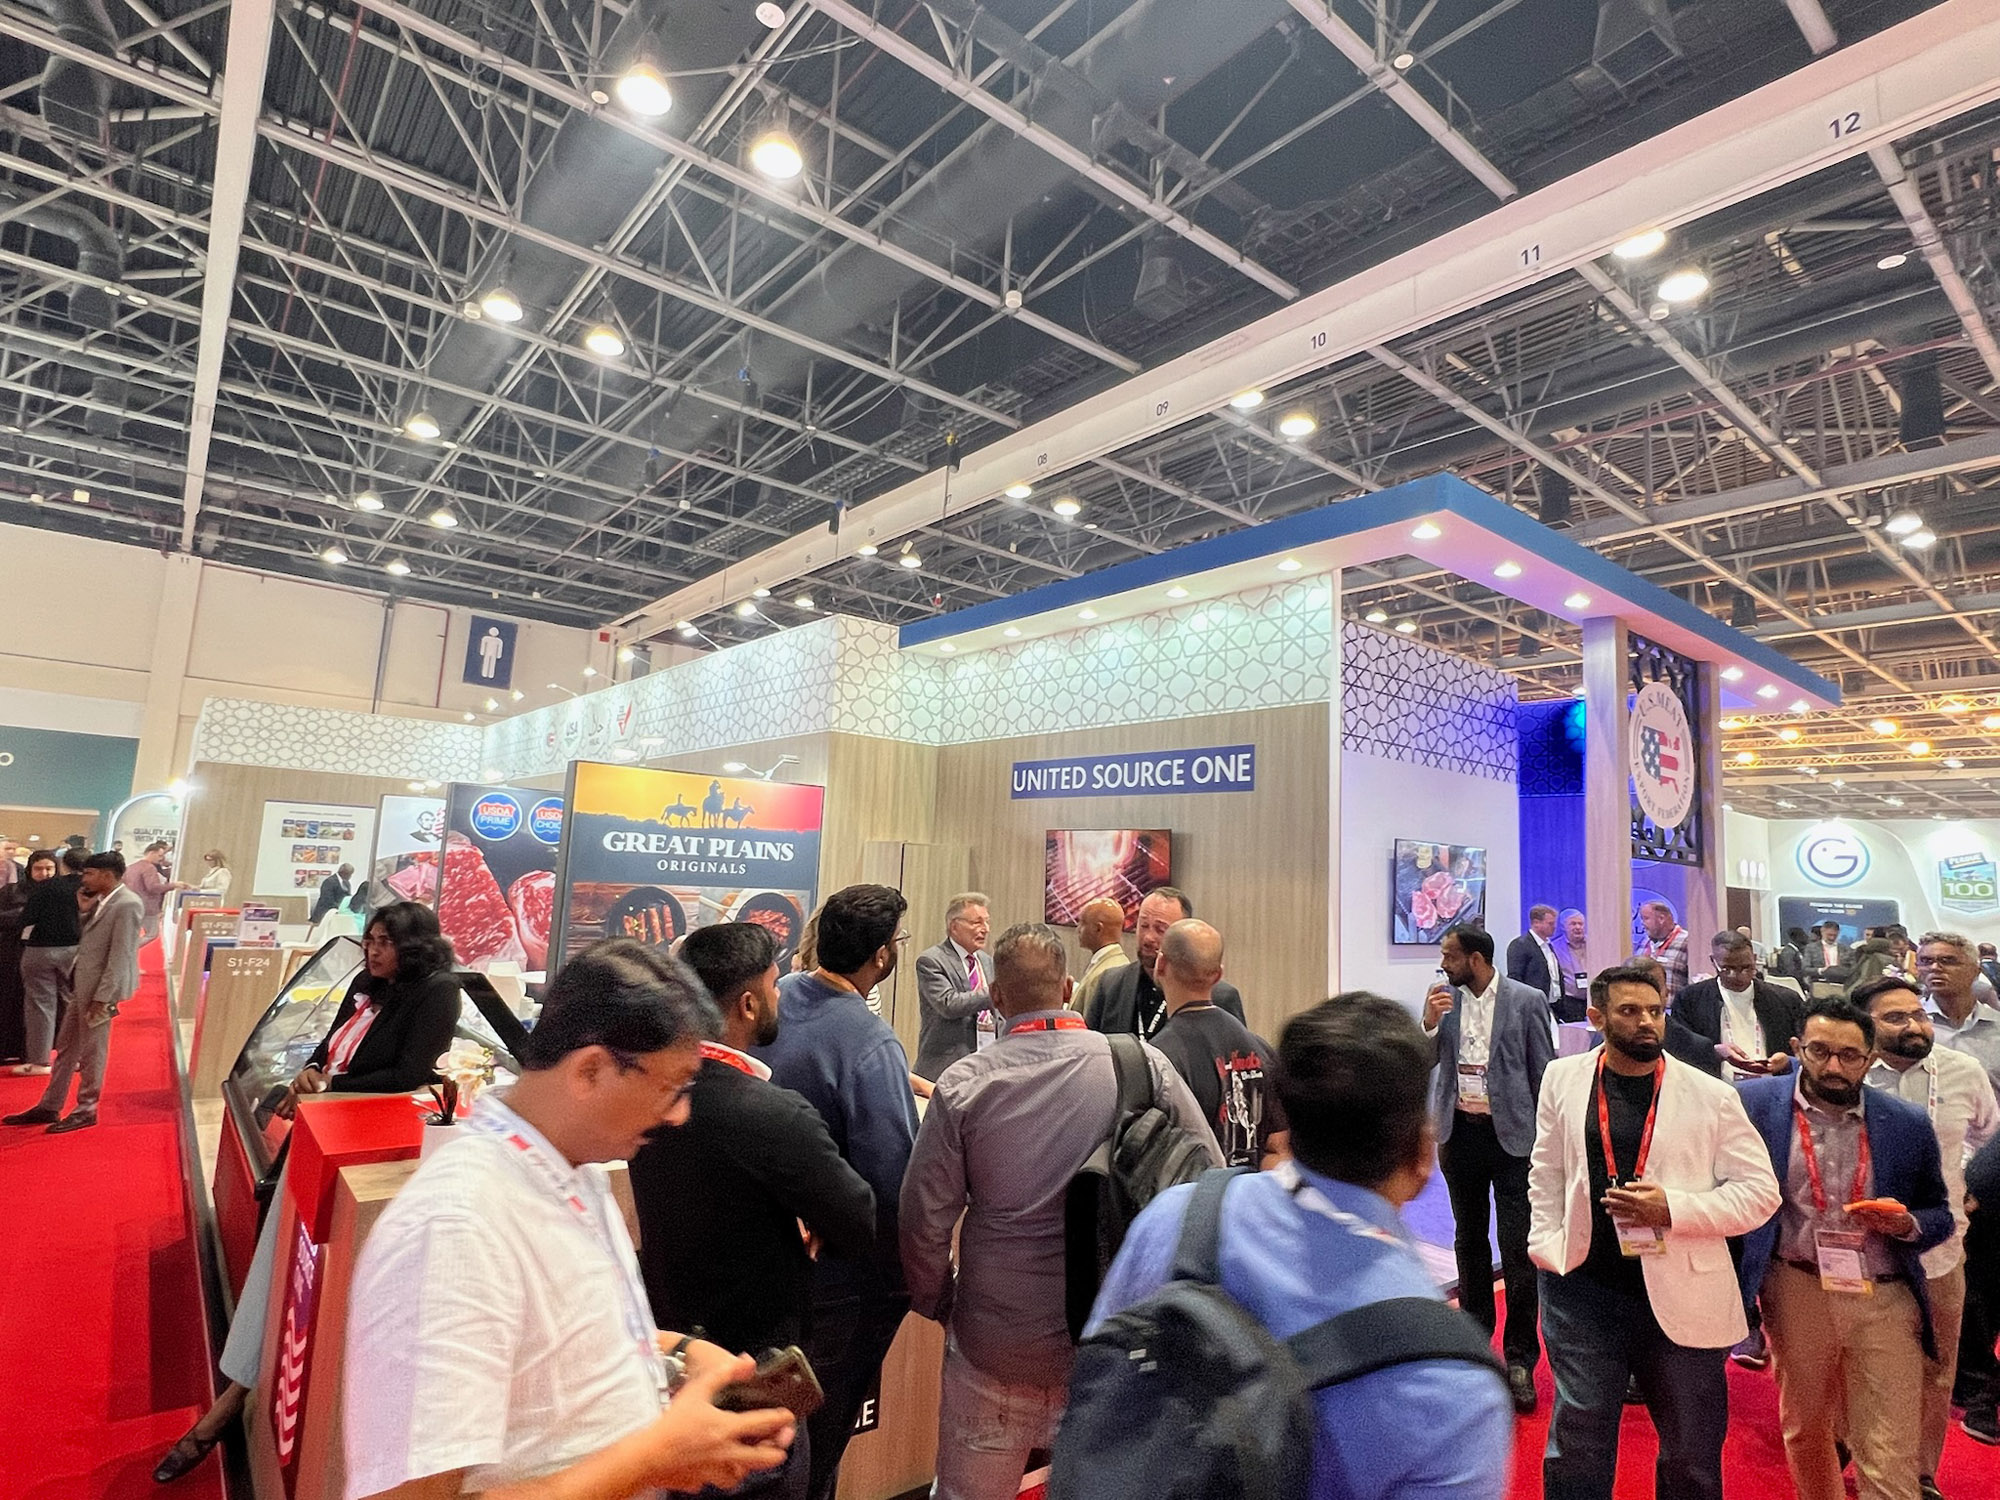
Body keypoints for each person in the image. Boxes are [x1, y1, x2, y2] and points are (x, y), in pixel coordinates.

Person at [343, 940, 795, 1500]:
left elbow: (550, 1348)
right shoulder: (455, 1227)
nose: (679, 1113)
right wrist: (650, 1460)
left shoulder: (572, 1166)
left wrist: (680, 1356)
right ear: (590, 1071)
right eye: (671, 1087)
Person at [1090, 991, 1515, 1500]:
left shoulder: (1176, 1222)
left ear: (1288, 1129)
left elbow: (1101, 1396)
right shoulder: (1451, 1386)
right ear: (1424, 1156)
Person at [901, 922, 1219, 1500]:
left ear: (997, 997)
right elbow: (1208, 1180)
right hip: (1110, 1342)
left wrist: (942, 1303)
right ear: (1069, 988)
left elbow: (924, 1222)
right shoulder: (1141, 1064)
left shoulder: (965, 1085)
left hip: (994, 1346)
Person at [153, 902, 464, 1483]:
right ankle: (239, 1392)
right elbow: (328, 1046)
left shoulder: (438, 992)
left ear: (413, 946)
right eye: (370, 940)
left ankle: (228, 1404)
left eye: (385, 942)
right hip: (320, 1130)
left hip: (360, 1148)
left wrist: (330, 1085)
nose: (373, 951)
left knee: (292, 1273)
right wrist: (312, 1073)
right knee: (278, 1266)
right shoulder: (368, 985)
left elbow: (408, 1074)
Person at [628, 922, 874, 1500]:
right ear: (747, 1003)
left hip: (666, 1359)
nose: (780, 996)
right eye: (773, 985)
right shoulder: (772, 1114)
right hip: (756, 1374)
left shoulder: (647, 1095)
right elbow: (859, 1219)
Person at [1527, 964, 1780, 1500]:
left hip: (1682, 1292)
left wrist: (1674, 1209)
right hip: (1581, 1289)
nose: (1647, 1021)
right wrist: (1545, 1243)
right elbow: (1546, 1169)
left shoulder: (1711, 1095)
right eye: (1629, 1011)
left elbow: (1762, 1194)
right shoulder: (1562, 1077)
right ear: (1597, 1017)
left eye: (1655, 1011)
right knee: (1577, 1444)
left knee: (1691, 1453)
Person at [1736, 997, 1955, 1500]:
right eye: (1820, 1051)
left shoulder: (1905, 1122)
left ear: (1871, 1058)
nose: (1833, 1066)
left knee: (1890, 1443)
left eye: (1849, 1055)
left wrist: (1906, 1224)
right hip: (1796, 1288)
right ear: (1797, 1048)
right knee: (1807, 1426)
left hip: (1884, 1296)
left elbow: (1939, 1214)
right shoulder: (1753, 1106)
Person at [750, 884, 919, 1500]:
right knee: (818, 1450)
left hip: (768, 1259)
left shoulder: (777, 1000)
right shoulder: (870, 1042)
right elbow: (892, 1182)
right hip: (842, 1282)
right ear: (881, 956)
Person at [1855, 973, 1999, 1499]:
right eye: (1896, 1017)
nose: (1915, 1025)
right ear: (1865, 1026)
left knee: (1936, 1367)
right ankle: (1859, 1449)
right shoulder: (1848, 1074)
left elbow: (1986, 1133)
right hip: (1860, 1249)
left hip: (1940, 1248)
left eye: (1918, 1014)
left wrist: (1962, 1179)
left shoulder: (1962, 1071)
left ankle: (1919, 1474)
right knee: (1857, 1363)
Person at [1423, 921, 1555, 1412]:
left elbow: (1544, 1072)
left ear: (1475, 959)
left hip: (1514, 1139)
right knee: (1469, 1241)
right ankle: (1476, 1348)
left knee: (1518, 1249)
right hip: (1460, 1135)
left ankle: (1519, 1359)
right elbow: (1426, 1062)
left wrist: (1548, 1141)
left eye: (1449, 956)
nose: (1443, 965)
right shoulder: (1443, 1001)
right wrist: (1428, 1025)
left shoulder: (1526, 1000)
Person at [4, 852, 141, 1133]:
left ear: (106, 875)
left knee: (92, 1052)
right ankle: (50, 1105)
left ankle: (86, 1109)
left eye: (89, 874)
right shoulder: (102, 900)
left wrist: (103, 997)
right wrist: (84, 910)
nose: (83, 879)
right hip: (84, 985)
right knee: (67, 1047)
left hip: (100, 991)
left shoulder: (127, 904)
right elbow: (91, 937)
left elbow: (121, 955)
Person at [1148, 919, 1288, 1168]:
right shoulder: (1261, 1048)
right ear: (1218, 975)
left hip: (1194, 1191)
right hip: (1251, 1189)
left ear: (1160, 965)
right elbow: (1279, 1148)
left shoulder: (1158, 1059)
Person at [1083, 887, 1243, 1038]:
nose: (1148, 938)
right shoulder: (1111, 984)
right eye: (1143, 925)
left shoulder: (1220, 997)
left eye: (1160, 929)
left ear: (1182, 934)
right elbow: (1091, 1048)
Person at [1672, 931, 1804, 1082]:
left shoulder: (1787, 1000)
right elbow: (1679, 1048)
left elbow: (1805, 1046)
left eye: (1747, 968)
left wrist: (1789, 1061)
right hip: (1714, 1086)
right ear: (1713, 961)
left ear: (1755, 959)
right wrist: (1713, 1052)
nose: (1738, 976)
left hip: (1774, 1085)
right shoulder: (1690, 999)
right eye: (1727, 969)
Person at [11, 846, 84, 1075]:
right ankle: (73, 1058)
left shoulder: (47, 888)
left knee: (40, 1005)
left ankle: (39, 1062)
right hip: (75, 950)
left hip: (40, 950)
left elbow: (25, 920)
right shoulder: (90, 889)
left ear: (63, 865)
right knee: (70, 1004)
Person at [911, 892, 994, 1081]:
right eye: (977, 922)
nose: (986, 929)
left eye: (987, 922)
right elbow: (949, 1004)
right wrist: (996, 991)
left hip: (984, 1063)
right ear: (954, 926)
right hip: (944, 1067)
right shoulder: (931, 960)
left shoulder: (987, 962)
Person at [1917, 931, 2000, 1094]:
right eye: (1926, 961)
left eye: (1948, 961)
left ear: (1975, 971)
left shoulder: (1996, 1025)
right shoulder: (1910, 1027)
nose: (1935, 968)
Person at [1070, 896, 1131, 1018]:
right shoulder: (1120, 964)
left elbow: (1089, 1025)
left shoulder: (1103, 974)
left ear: (1098, 929)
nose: (1078, 930)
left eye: (1082, 923)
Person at [1507, 904, 1563, 1020]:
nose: (1554, 927)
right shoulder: (1520, 945)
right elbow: (1515, 978)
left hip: (1553, 1005)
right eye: (1550, 924)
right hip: (1531, 1008)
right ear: (1536, 923)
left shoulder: (1549, 946)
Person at [122, 841, 180, 948]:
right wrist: (174, 885)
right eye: (160, 855)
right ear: (151, 853)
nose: (161, 859)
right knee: (152, 934)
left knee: (132, 934)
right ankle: (129, 949)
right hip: (147, 907)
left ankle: (128, 950)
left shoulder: (131, 867)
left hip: (131, 904)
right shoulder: (149, 868)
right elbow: (153, 887)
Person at [1634, 901, 1691, 1000]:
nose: (1642, 923)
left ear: (1661, 919)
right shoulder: (1644, 942)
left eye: (1646, 918)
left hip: (1673, 1007)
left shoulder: (1687, 941)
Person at [1551, 908, 1590, 1023]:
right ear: (1563, 927)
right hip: (1570, 1002)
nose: (1578, 927)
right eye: (1573, 924)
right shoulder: (1554, 947)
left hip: (1593, 999)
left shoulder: (1595, 943)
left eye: (1580, 924)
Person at [1809, 920, 1851, 985]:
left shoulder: (1846, 949)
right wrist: (1821, 970)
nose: (1832, 938)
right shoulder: (1811, 948)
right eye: (1829, 935)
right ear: (1822, 932)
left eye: (1835, 935)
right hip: (1819, 982)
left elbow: (1852, 969)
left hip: (1841, 984)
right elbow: (1805, 969)